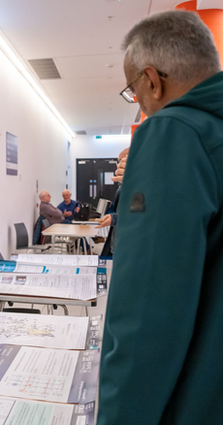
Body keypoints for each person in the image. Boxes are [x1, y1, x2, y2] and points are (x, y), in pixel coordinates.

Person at [98, 11, 223, 425]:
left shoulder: (173, 132)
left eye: (134, 91)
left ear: (152, 79)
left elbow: (148, 311)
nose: (140, 105)